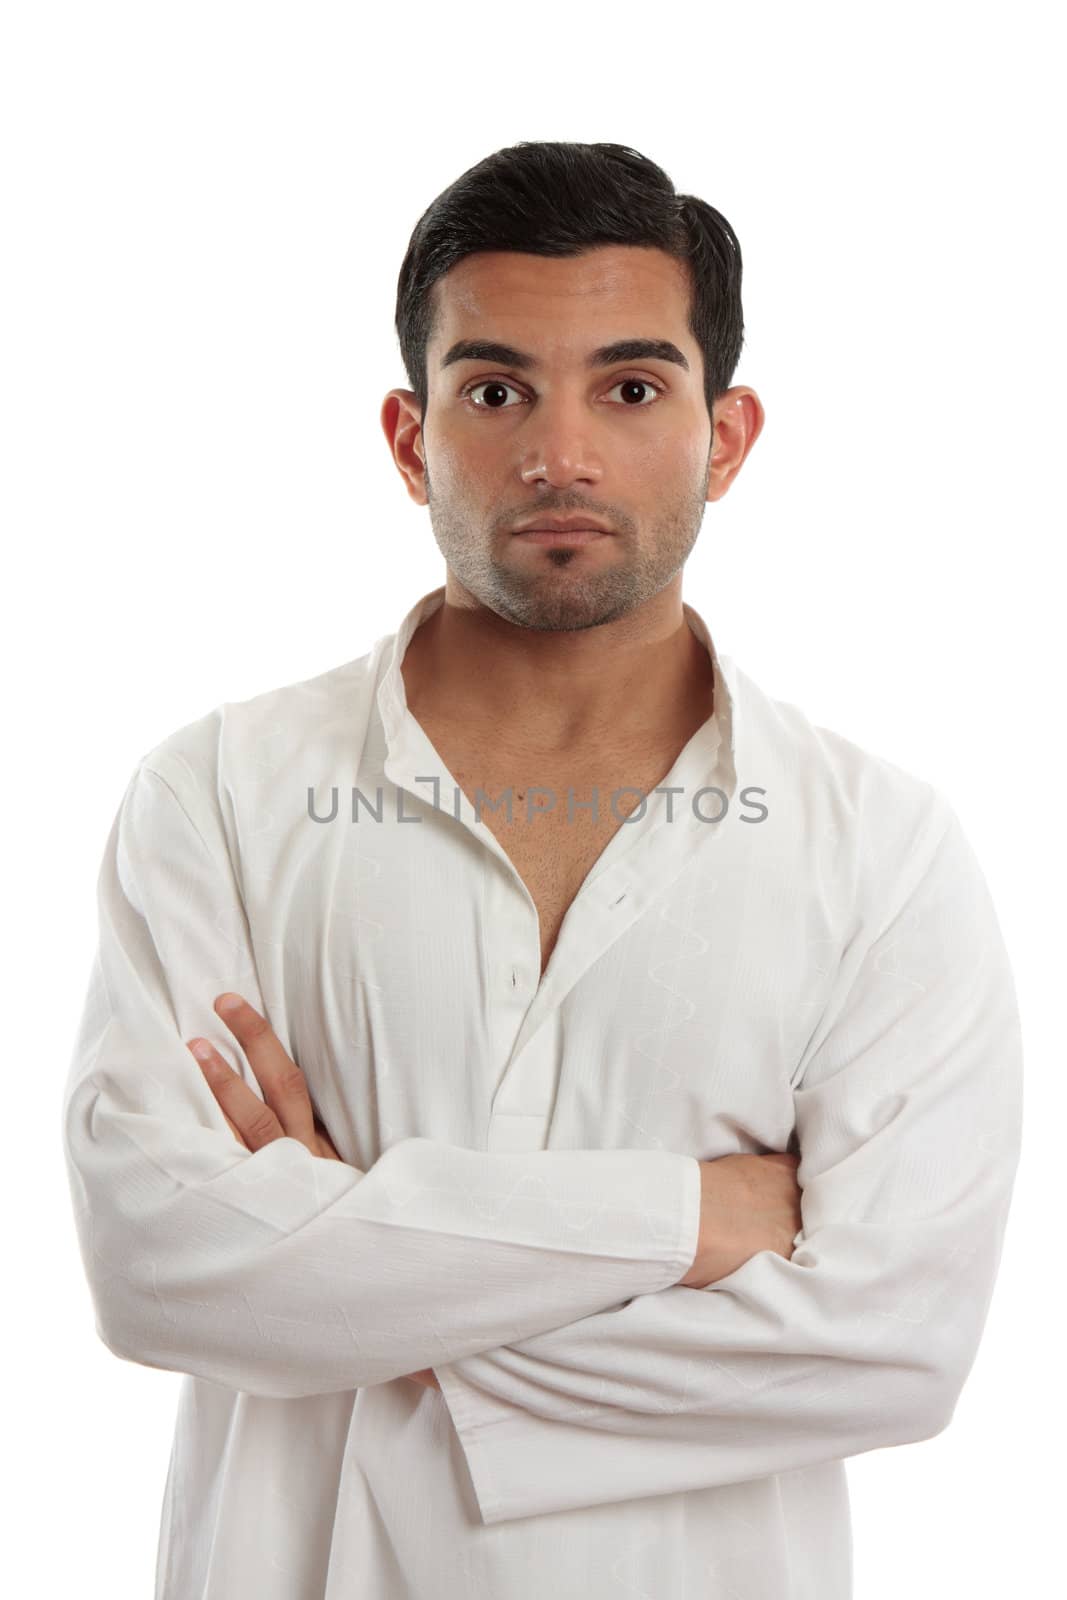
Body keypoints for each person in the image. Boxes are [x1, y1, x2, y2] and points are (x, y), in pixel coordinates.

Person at [61, 141, 1022, 1600]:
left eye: (630, 390)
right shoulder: (218, 795)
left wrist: (348, 1265)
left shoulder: (881, 849)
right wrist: (686, 1221)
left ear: (727, 436)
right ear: (409, 436)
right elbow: (156, 1264)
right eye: (495, 390)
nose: (557, 454)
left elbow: (894, 1348)